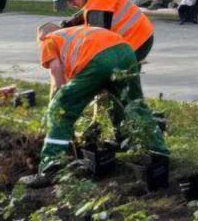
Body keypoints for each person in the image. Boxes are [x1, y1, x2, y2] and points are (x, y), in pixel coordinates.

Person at [21, 21, 168, 188]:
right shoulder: (78, 33)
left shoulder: (48, 39)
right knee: (135, 105)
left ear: (41, 37)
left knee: (59, 110)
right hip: (125, 51)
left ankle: (50, 167)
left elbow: (56, 71)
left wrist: (55, 102)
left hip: (99, 59)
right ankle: (159, 153)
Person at [54, 0, 155, 63]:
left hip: (137, 40)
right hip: (138, 36)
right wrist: (71, 24)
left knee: (112, 72)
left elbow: (97, 38)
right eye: (68, 1)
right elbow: (87, 13)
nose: (71, 4)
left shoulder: (99, 1)